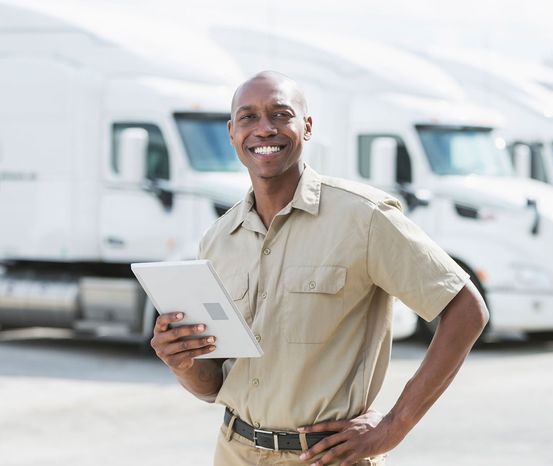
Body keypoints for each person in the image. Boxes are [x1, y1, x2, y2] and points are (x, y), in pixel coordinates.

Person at [150, 71, 489, 466]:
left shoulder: (363, 217)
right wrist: (181, 362)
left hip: (326, 458)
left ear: (306, 127)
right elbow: (213, 386)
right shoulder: (218, 239)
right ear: (231, 132)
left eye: (280, 114)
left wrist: (393, 427)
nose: (264, 129)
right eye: (248, 118)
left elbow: (466, 310)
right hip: (233, 452)